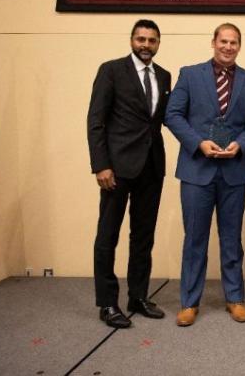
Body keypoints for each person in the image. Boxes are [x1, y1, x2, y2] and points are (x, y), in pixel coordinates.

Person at [165, 23, 245, 327]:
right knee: (195, 238)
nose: (228, 47)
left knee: (231, 239)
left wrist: (241, 144)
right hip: (197, 170)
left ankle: (234, 298)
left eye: (234, 42)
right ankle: (189, 302)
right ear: (213, 42)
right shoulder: (190, 74)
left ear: (239, 46)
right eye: (223, 41)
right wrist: (198, 143)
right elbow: (172, 114)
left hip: (234, 171)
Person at [87, 19, 172, 329]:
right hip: (117, 168)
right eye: (141, 39)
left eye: (151, 40)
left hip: (151, 167)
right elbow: (96, 120)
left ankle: (137, 296)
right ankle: (107, 302)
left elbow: (162, 120)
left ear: (158, 43)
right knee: (107, 235)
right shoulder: (110, 70)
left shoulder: (164, 76)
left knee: (143, 236)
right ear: (132, 40)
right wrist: (101, 165)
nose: (145, 45)